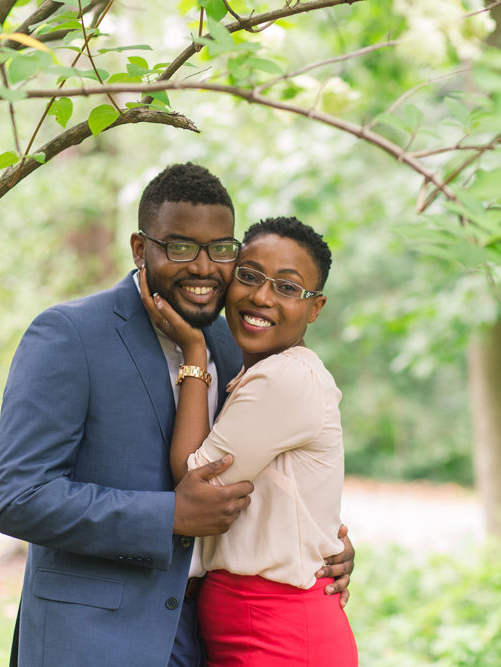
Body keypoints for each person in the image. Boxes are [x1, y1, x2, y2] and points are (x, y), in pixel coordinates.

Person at [0, 163, 354, 667]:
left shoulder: (232, 344)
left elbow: (272, 463)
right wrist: (167, 517)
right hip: (93, 639)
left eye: (220, 249)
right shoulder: (69, 335)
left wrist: (323, 544)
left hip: (207, 636)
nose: (204, 268)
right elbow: (19, 498)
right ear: (141, 249)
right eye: (180, 246)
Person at [140, 216, 357, 666]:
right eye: (250, 276)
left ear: (315, 309)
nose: (261, 296)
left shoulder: (286, 377)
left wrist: (193, 355)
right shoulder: (259, 372)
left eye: (287, 287)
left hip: (280, 632)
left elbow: (195, 478)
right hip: (249, 623)